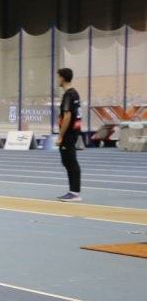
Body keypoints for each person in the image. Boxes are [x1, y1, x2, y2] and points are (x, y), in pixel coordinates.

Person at [56, 68, 82, 202]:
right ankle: (73, 191)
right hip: (74, 132)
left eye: (58, 77)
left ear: (62, 78)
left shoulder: (68, 95)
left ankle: (74, 192)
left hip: (68, 134)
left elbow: (67, 116)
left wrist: (60, 135)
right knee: (68, 161)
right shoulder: (75, 94)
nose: (57, 80)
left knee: (70, 162)